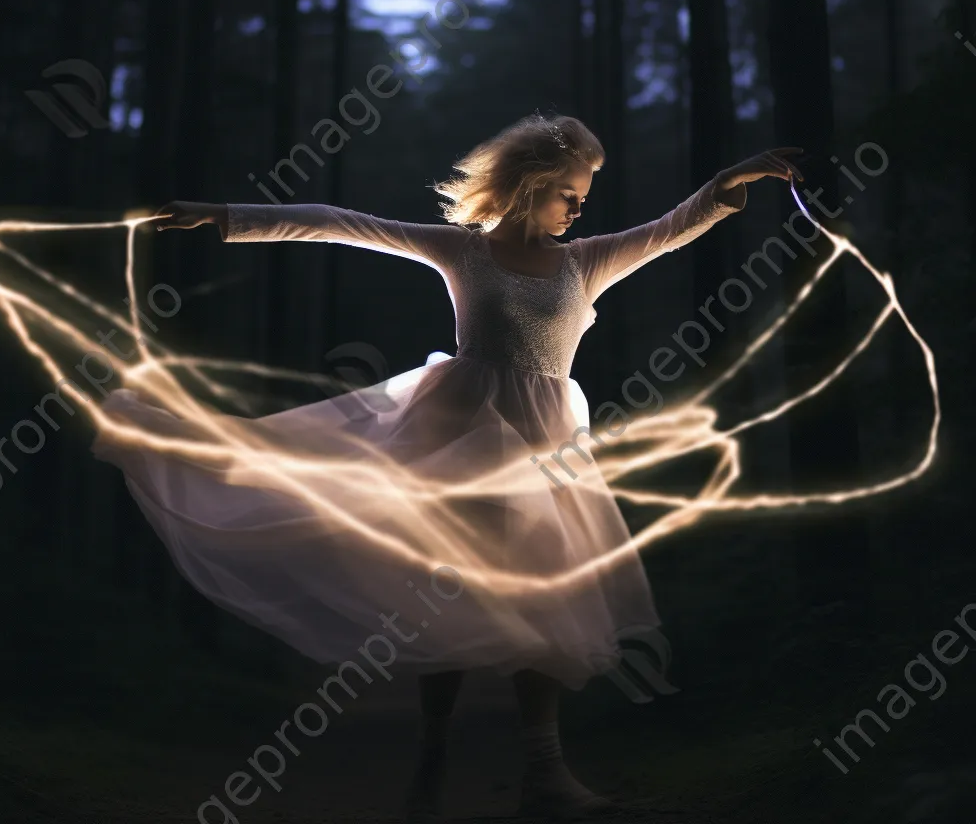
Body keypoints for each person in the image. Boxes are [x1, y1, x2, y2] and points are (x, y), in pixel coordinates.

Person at [92, 113, 802, 821]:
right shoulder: (466, 253)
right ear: (530, 185)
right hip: (459, 440)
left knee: (546, 598)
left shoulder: (584, 262)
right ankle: (435, 750)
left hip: (545, 453)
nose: (580, 207)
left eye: (583, 196)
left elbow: (671, 227)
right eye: (569, 194)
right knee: (449, 594)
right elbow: (341, 222)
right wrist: (223, 215)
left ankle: (544, 773)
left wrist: (727, 182)